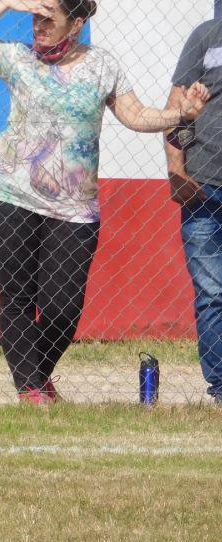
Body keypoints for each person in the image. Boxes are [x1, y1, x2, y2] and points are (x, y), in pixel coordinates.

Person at [0, 0, 209, 403]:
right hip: (5, 194)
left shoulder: (103, 65)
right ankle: (32, 393)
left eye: (48, 18)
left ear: (77, 23)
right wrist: (4, 4)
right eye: (34, 17)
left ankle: (35, 377)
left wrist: (183, 114)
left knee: (64, 307)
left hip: (74, 207)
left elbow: (137, 116)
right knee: (17, 294)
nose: (37, 25)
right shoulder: (17, 58)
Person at [167, 11, 222, 405]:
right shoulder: (206, 36)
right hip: (205, 186)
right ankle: (221, 389)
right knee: (212, 294)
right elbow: (177, 103)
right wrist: (176, 170)